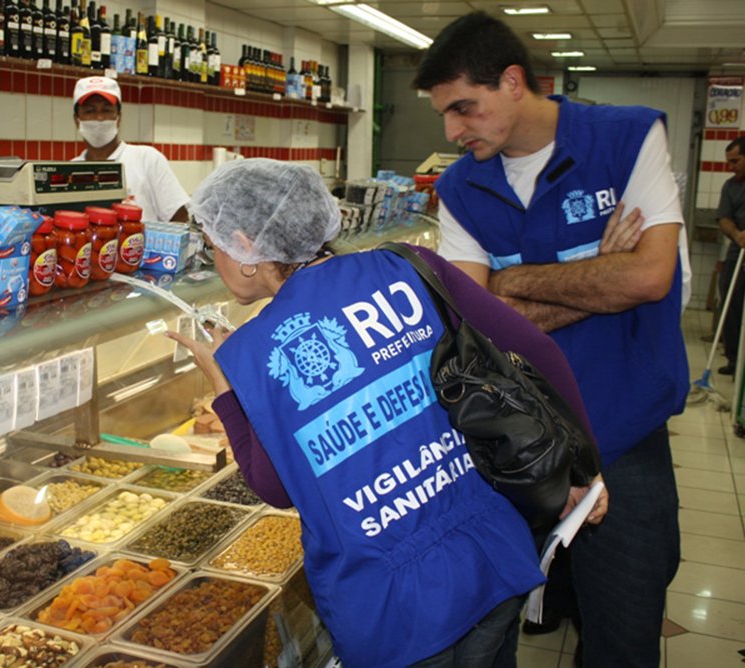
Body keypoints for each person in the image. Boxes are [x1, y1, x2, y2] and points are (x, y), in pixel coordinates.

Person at [167, 158, 607, 668]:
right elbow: (537, 351)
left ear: (245, 247)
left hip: (394, 603)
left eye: (213, 244)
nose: (214, 259)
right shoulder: (410, 265)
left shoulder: (251, 350)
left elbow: (275, 487)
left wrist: (224, 389)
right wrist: (583, 470)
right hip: (490, 554)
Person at [413, 11, 688, 667]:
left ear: (513, 82)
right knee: (500, 626)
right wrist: (598, 268)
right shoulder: (461, 187)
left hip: (623, 433)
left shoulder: (627, 139)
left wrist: (511, 285)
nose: (452, 131)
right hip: (517, 443)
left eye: (463, 108)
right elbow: (475, 326)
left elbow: (649, 277)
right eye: (444, 114)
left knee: (624, 632)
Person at [71, 76, 190, 222]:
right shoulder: (71, 171)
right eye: (90, 111)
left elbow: (180, 218)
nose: (99, 117)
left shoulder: (147, 159)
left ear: (119, 118)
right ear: (77, 120)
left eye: (107, 110)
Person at [717, 137, 745, 375]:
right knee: (731, 299)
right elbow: (724, 218)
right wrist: (737, 235)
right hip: (739, 248)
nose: (731, 166)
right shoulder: (730, 186)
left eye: (735, 161)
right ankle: (735, 359)